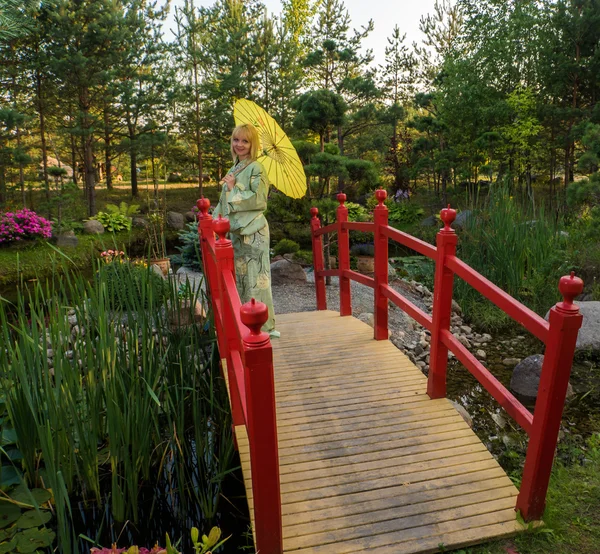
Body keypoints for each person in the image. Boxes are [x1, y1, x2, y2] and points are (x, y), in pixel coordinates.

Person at [213, 124, 279, 337]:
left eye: (245, 141)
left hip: (253, 231)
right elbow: (224, 202)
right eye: (236, 140)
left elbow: (259, 200)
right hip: (237, 231)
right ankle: (245, 323)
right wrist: (214, 221)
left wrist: (234, 188)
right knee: (240, 277)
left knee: (256, 277)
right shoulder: (235, 167)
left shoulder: (257, 168)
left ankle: (264, 326)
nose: (239, 145)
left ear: (253, 145)